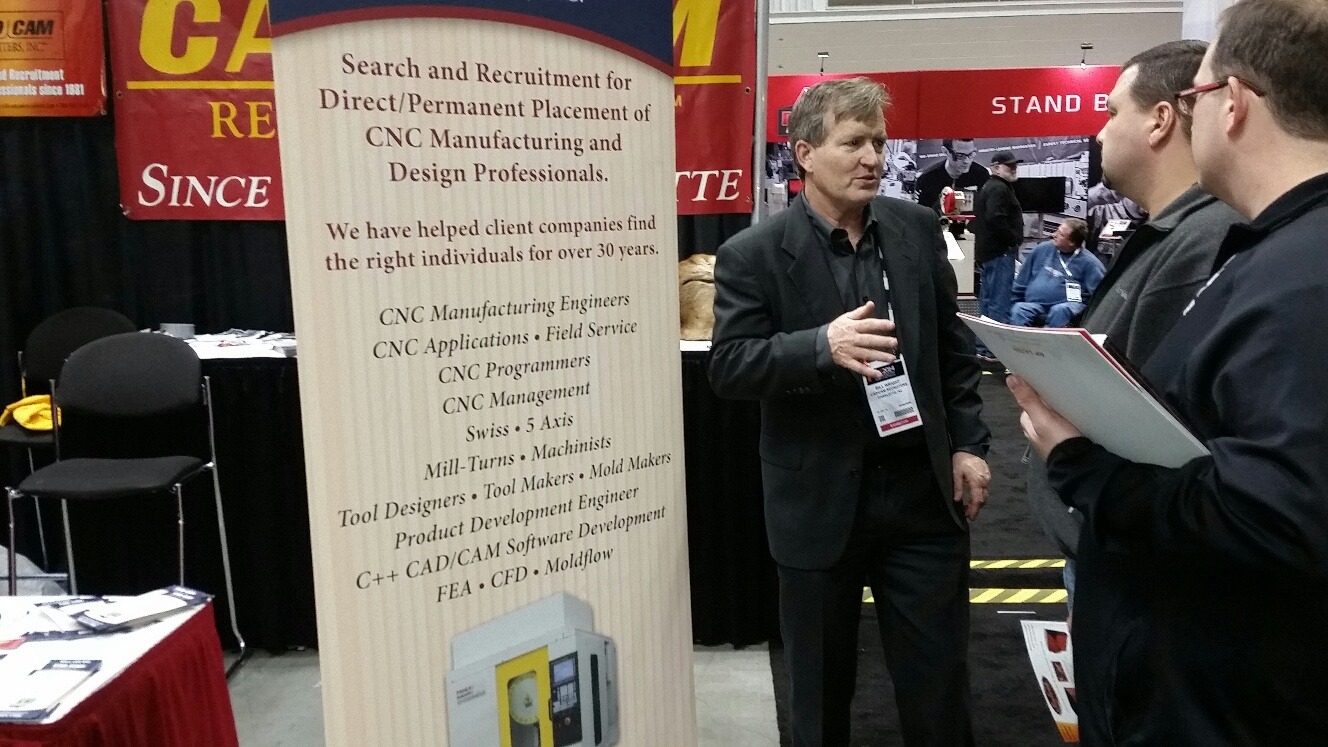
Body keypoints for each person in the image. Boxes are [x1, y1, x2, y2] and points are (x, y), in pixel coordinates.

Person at [1011, 3, 1328, 741]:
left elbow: (1277, 513)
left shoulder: (1300, 276)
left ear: (1236, 103)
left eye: (1197, 97)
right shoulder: (1274, 253)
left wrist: (1081, 465)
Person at [708, 77, 991, 747]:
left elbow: (953, 354)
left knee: (939, 687)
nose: (873, 158)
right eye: (853, 142)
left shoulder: (918, 231)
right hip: (817, 501)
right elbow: (730, 366)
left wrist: (969, 443)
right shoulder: (752, 255)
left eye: (879, 143)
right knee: (819, 693)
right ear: (804, 153)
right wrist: (819, 347)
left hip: (922, 495)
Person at [971, 151, 1024, 360]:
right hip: (1000, 253)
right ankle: (994, 351)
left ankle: (984, 347)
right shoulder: (999, 189)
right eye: (1008, 166)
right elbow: (996, 218)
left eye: (1014, 165)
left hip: (989, 253)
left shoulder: (990, 187)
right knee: (999, 302)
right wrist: (1012, 239)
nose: (1013, 168)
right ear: (996, 167)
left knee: (987, 301)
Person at [1009, 219, 1103, 328]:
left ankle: (1050, 343)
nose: (1054, 235)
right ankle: (1021, 344)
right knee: (1019, 309)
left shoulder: (1090, 263)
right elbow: (1021, 281)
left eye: (1061, 235)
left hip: (1068, 306)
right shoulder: (1042, 249)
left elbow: (1099, 296)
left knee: (1059, 310)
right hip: (1035, 304)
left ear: (1072, 242)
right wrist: (1014, 300)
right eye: (1057, 231)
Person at [916, 139, 989, 214]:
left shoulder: (981, 175)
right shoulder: (928, 178)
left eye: (971, 154)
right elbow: (922, 214)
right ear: (945, 151)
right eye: (960, 156)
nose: (966, 161)